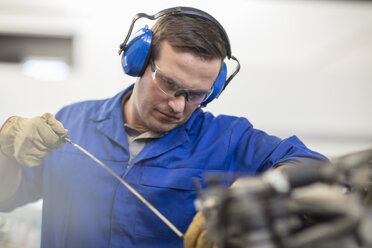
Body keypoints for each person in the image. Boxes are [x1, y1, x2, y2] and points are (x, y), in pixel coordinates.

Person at [0, 7, 327, 248]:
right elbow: (5, 197)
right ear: (139, 63)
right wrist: (6, 151)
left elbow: (313, 166)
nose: (178, 105)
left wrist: (256, 194)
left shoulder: (229, 139)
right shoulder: (71, 122)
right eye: (169, 84)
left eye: (196, 95)